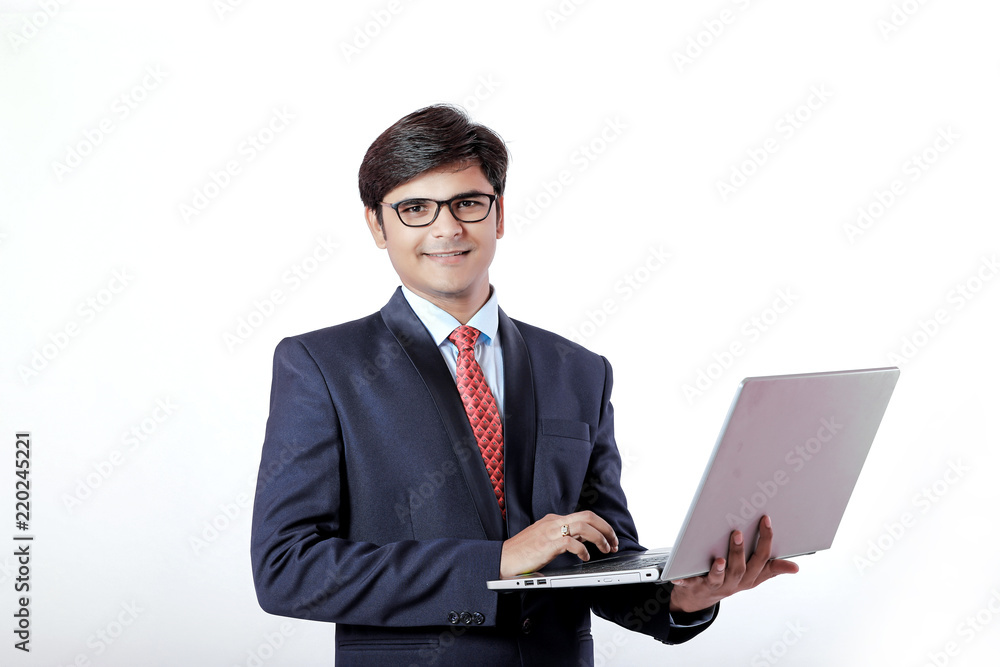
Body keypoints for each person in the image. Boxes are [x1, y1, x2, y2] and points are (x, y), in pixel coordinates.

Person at [250, 104, 797, 666]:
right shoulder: (320, 366)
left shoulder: (579, 369)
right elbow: (287, 569)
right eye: (416, 208)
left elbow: (601, 555)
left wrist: (683, 596)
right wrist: (495, 561)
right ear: (376, 224)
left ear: (499, 214)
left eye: (467, 203)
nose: (447, 228)